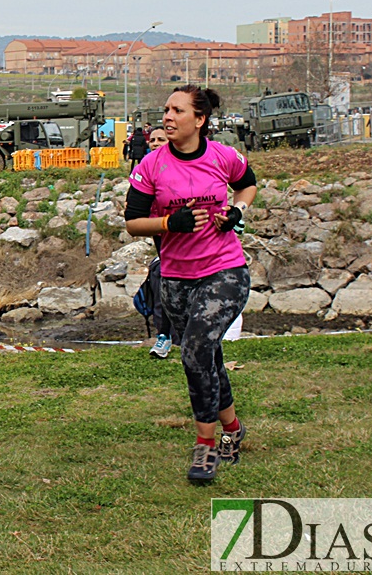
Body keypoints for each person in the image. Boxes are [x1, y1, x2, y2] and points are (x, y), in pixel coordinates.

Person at [124, 85, 257, 483]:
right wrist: (170, 223)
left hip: (225, 270)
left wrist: (237, 210)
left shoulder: (222, 156)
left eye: (177, 110)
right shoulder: (151, 164)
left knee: (195, 351)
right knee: (208, 356)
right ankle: (234, 430)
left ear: (199, 120)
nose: (167, 115)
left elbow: (247, 184)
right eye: (166, 108)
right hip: (176, 279)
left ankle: (206, 446)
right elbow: (133, 222)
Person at [144, 127, 174, 359]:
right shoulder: (145, 167)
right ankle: (164, 334)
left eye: (160, 139)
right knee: (165, 278)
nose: (155, 143)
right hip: (161, 229)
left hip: (187, 230)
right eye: (152, 140)